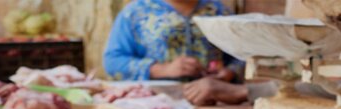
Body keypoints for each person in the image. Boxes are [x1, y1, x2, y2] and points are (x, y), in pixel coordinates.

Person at [103, 0, 242, 84]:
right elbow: (112, 61)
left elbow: (244, 55)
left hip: (215, 101)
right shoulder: (136, 13)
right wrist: (161, 70)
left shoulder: (219, 12)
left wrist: (229, 72)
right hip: (157, 103)